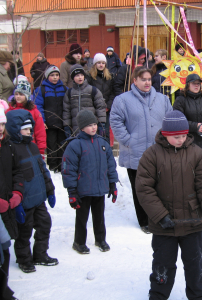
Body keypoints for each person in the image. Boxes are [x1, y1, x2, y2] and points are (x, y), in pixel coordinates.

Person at [135, 110, 202, 300]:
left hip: (193, 222)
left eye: (183, 135)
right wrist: (160, 216)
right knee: (162, 265)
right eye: (176, 137)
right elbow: (144, 189)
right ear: (165, 134)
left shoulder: (196, 153)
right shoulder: (152, 155)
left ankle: (198, 297)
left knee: (195, 265)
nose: (181, 140)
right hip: (165, 225)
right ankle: (158, 296)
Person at [110, 66, 172, 234]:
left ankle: (160, 217)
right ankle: (144, 221)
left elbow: (169, 120)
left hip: (158, 152)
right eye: (143, 79)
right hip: (135, 153)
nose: (147, 82)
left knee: (161, 187)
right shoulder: (122, 100)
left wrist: (167, 141)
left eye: (149, 79)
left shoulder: (162, 99)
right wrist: (128, 140)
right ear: (134, 80)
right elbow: (116, 121)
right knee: (141, 189)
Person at [6, 109, 58, 273]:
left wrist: (50, 190)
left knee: (45, 224)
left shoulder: (33, 146)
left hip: (39, 199)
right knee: (24, 231)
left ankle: (40, 254)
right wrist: (16, 202)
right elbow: (10, 179)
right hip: (24, 201)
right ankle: (24, 259)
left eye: (30, 129)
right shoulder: (11, 150)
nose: (29, 132)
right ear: (15, 129)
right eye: (25, 129)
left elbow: (43, 170)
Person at [62, 110, 118, 254]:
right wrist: (72, 191)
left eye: (94, 124)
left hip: (99, 188)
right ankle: (79, 242)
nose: (93, 127)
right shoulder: (75, 145)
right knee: (82, 218)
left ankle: (100, 239)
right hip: (83, 190)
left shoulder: (102, 143)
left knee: (99, 216)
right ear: (81, 127)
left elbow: (111, 165)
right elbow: (69, 170)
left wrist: (112, 184)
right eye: (89, 125)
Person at [0, 99, 24, 299]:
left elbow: (17, 171)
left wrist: (17, 192)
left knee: (6, 248)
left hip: (6, 206)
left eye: (1, 124)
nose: (0, 128)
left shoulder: (7, 146)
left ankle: (3, 287)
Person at [173, 73, 202, 164]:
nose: (196, 85)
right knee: (188, 167)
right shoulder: (181, 100)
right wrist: (195, 126)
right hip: (187, 140)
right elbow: (178, 119)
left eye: (198, 83)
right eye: (194, 83)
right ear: (187, 85)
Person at [33, 65, 67, 172]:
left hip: (62, 122)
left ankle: (61, 164)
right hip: (49, 123)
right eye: (52, 75)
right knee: (51, 145)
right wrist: (42, 121)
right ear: (47, 76)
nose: (55, 77)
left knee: (62, 144)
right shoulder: (41, 90)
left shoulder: (65, 89)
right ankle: (53, 166)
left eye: (57, 75)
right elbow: (38, 106)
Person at [62, 64, 107, 137]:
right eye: (77, 76)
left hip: (91, 128)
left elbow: (100, 107)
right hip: (76, 129)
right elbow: (66, 111)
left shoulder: (93, 90)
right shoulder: (69, 93)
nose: (80, 77)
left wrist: (102, 123)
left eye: (81, 75)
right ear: (73, 78)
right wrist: (67, 126)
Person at [6, 77, 47, 156]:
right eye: (16, 94)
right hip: (13, 147)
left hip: (30, 145)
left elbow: (40, 131)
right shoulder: (9, 111)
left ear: (27, 95)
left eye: (21, 94)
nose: (18, 96)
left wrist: (41, 150)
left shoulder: (34, 112)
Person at [87, 53, 115, 143]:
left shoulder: (109, 77)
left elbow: (112, 93)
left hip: (106, 110)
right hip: (93, 109)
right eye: (99, 63)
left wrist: (108, 106)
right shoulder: (89, 77)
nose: (101, 65)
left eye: (103, 63)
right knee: (93, 132)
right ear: (95, 64)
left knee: (105, 132)